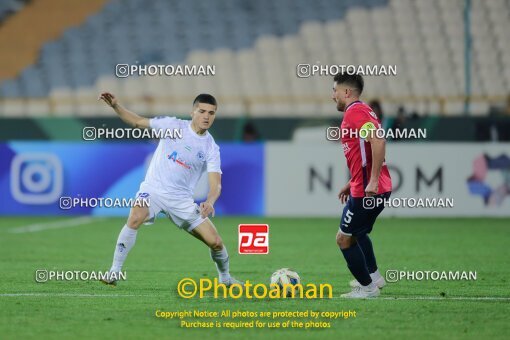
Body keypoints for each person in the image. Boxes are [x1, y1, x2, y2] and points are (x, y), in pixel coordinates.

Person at [98, 92, 243, 287]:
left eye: (211, 113)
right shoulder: (173, 126)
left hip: (181, 200)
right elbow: (138, 122)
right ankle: (114, 272)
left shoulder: (211, 147)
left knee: (215, 242)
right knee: (135, 216)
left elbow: (216, 183)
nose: (206, 116)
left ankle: (225, 279)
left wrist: (210, 202)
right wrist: (116, 106)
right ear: (192, 112)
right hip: (154, 190)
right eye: (202, 111)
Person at [332, 73, 392, 298]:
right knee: (356, 233)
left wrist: (373, 180)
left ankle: (368, 288)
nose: (332, 96)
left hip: (369, 189)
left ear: (346, 92)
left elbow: (378, 139)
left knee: (344, 238)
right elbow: (365, 151)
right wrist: (352, 181)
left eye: (335, 91)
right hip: (364, 186)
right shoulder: (362, 110)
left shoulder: (355, 112)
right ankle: (374, 277)